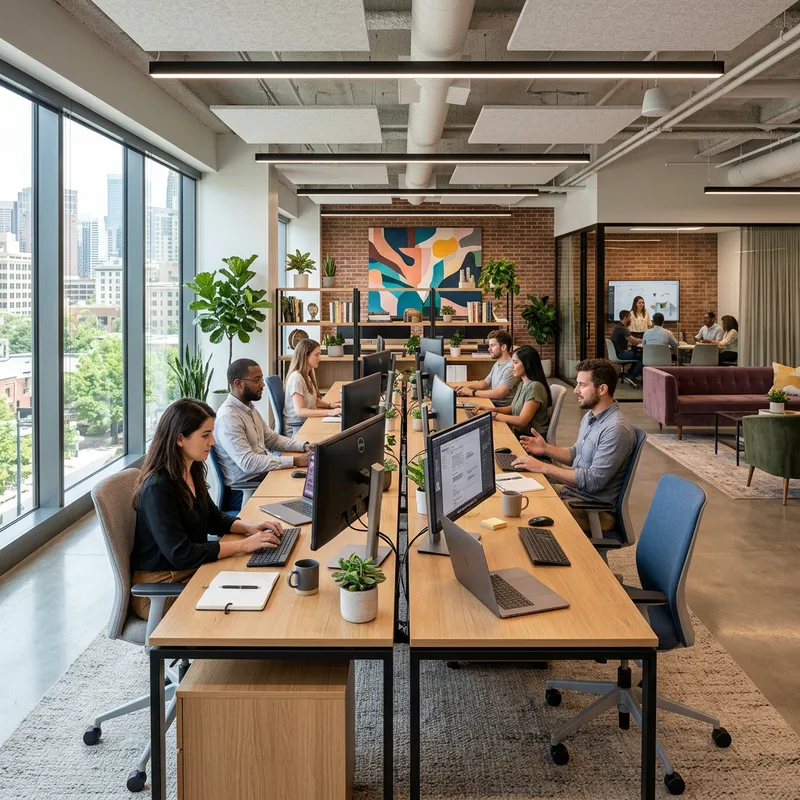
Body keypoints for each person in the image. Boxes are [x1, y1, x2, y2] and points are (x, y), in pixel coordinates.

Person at [129, 398, 285, 621]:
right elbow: (181, 554)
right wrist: (242, 545)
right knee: (249, 606)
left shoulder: (191, 470)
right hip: (163, 586)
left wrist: (250, 528)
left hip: (191, 571)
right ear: (180, 439)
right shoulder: (158, 488)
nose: (212, 441)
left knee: (263, 583)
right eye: (205, 435)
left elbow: (213, 517)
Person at [512, 358, 636, 533]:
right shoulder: (590, 416)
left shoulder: (615, 429)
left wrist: (543, 467)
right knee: (520, 496)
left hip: (594, 511)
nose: (576, 390)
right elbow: (576, 453)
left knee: (527, 516)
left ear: (602, 389)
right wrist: (546, 449)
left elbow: (592, 481)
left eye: (582, 385)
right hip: (572, 494)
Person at [214, 358, 311, 505]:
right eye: (256, 380)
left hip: (263, 477)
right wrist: (295, 461)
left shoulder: (249, 408)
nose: (262, 384)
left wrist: (304, 446)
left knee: (310, 483)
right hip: (245, 491)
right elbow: (248, 463)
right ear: (238, 383)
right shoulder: (228, 418)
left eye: (261, 378)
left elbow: (271, 439)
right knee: (304, 495)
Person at [485, 345, 552, 438]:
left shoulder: (535, 387)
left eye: (515, 362)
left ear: (527, 364)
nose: (511, 366)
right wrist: (491, 410)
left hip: (532, 439)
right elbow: (513, 408)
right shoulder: (522, 383)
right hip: (521, 434)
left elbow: (522, 421)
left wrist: (494, 415)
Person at [283, 338, 342, 436]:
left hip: (306, 422)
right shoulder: (296, 378)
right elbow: (300, 411)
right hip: (297, 428)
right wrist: (329, 412)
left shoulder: (306, 375)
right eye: (316, 355)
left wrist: (330, 405)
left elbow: (312, 400)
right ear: (305, 356)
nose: (319, 358)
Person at [455, 329, 520, 403]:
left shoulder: (510, 368)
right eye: (489, 346)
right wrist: (466, 388)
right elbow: (486, 383)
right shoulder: (497, 363)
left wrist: (471, 392)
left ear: (503, 347)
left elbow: (499, 394)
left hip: (499, 406)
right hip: (492, 402)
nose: (489, 349)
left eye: (492, 345)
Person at [609, 310, 643, 384]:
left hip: (618, 352)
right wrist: (644, 340)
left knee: (638, 355)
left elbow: (631, 340)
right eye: (630, 317)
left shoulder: (618, 326)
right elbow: (634, 341)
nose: (631, 319)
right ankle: (632, 376)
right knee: (642, 357)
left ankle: (630, 373)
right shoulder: (622, 328)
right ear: (625, 317)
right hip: (620, 354)